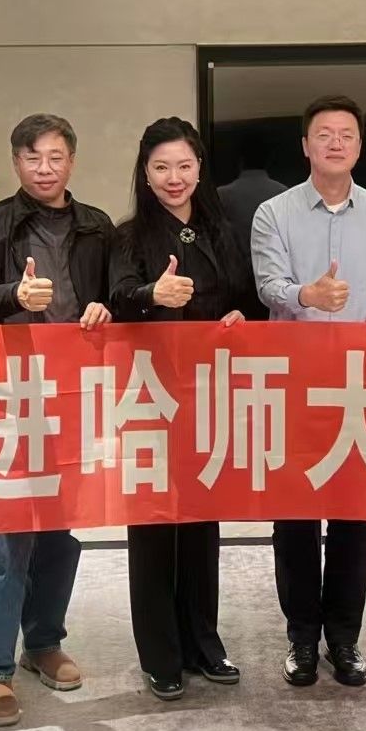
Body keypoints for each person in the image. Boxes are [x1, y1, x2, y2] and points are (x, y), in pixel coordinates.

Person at [0, 113, 114, 727]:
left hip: (75, 392)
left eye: (55, 157)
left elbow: (115, 293)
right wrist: (14, 296)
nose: (44, 169)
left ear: (71, 161)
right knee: (2, 535)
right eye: (32, 158)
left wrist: (106, 307)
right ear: (16, 162)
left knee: (59, 528)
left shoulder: (97, 225)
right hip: (10, 393)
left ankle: (44, 643)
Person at [251, 94, 366, 688]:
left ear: (359, 146)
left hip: (359, 384)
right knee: (294, 518)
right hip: (293, 383)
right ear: (305, 146)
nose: (335, 143)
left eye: (346, 134)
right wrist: (306, 296)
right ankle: (300, 638)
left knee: (352, 520)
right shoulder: (274, 213)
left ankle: (344, 638)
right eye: (324, 134)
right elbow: (268, 285)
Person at [109, 118, 253, 701]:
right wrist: (153, 295)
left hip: (209, 394)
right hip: (149, 396)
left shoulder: (223, 231)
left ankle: (203, 643)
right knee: (152, 526)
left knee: (200, 521)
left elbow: (247, 299)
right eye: (162, 167)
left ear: (200, 169)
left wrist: (243, 316)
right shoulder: (128, 235)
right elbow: (117, 297)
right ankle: (160, 653)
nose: (175, 178)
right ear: (145, 174)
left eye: (185, 166)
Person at [217, 131, 286, 247]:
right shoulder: (284, 193)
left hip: (232, 258)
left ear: (240, 161)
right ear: (268, 160)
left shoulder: (222, 195)